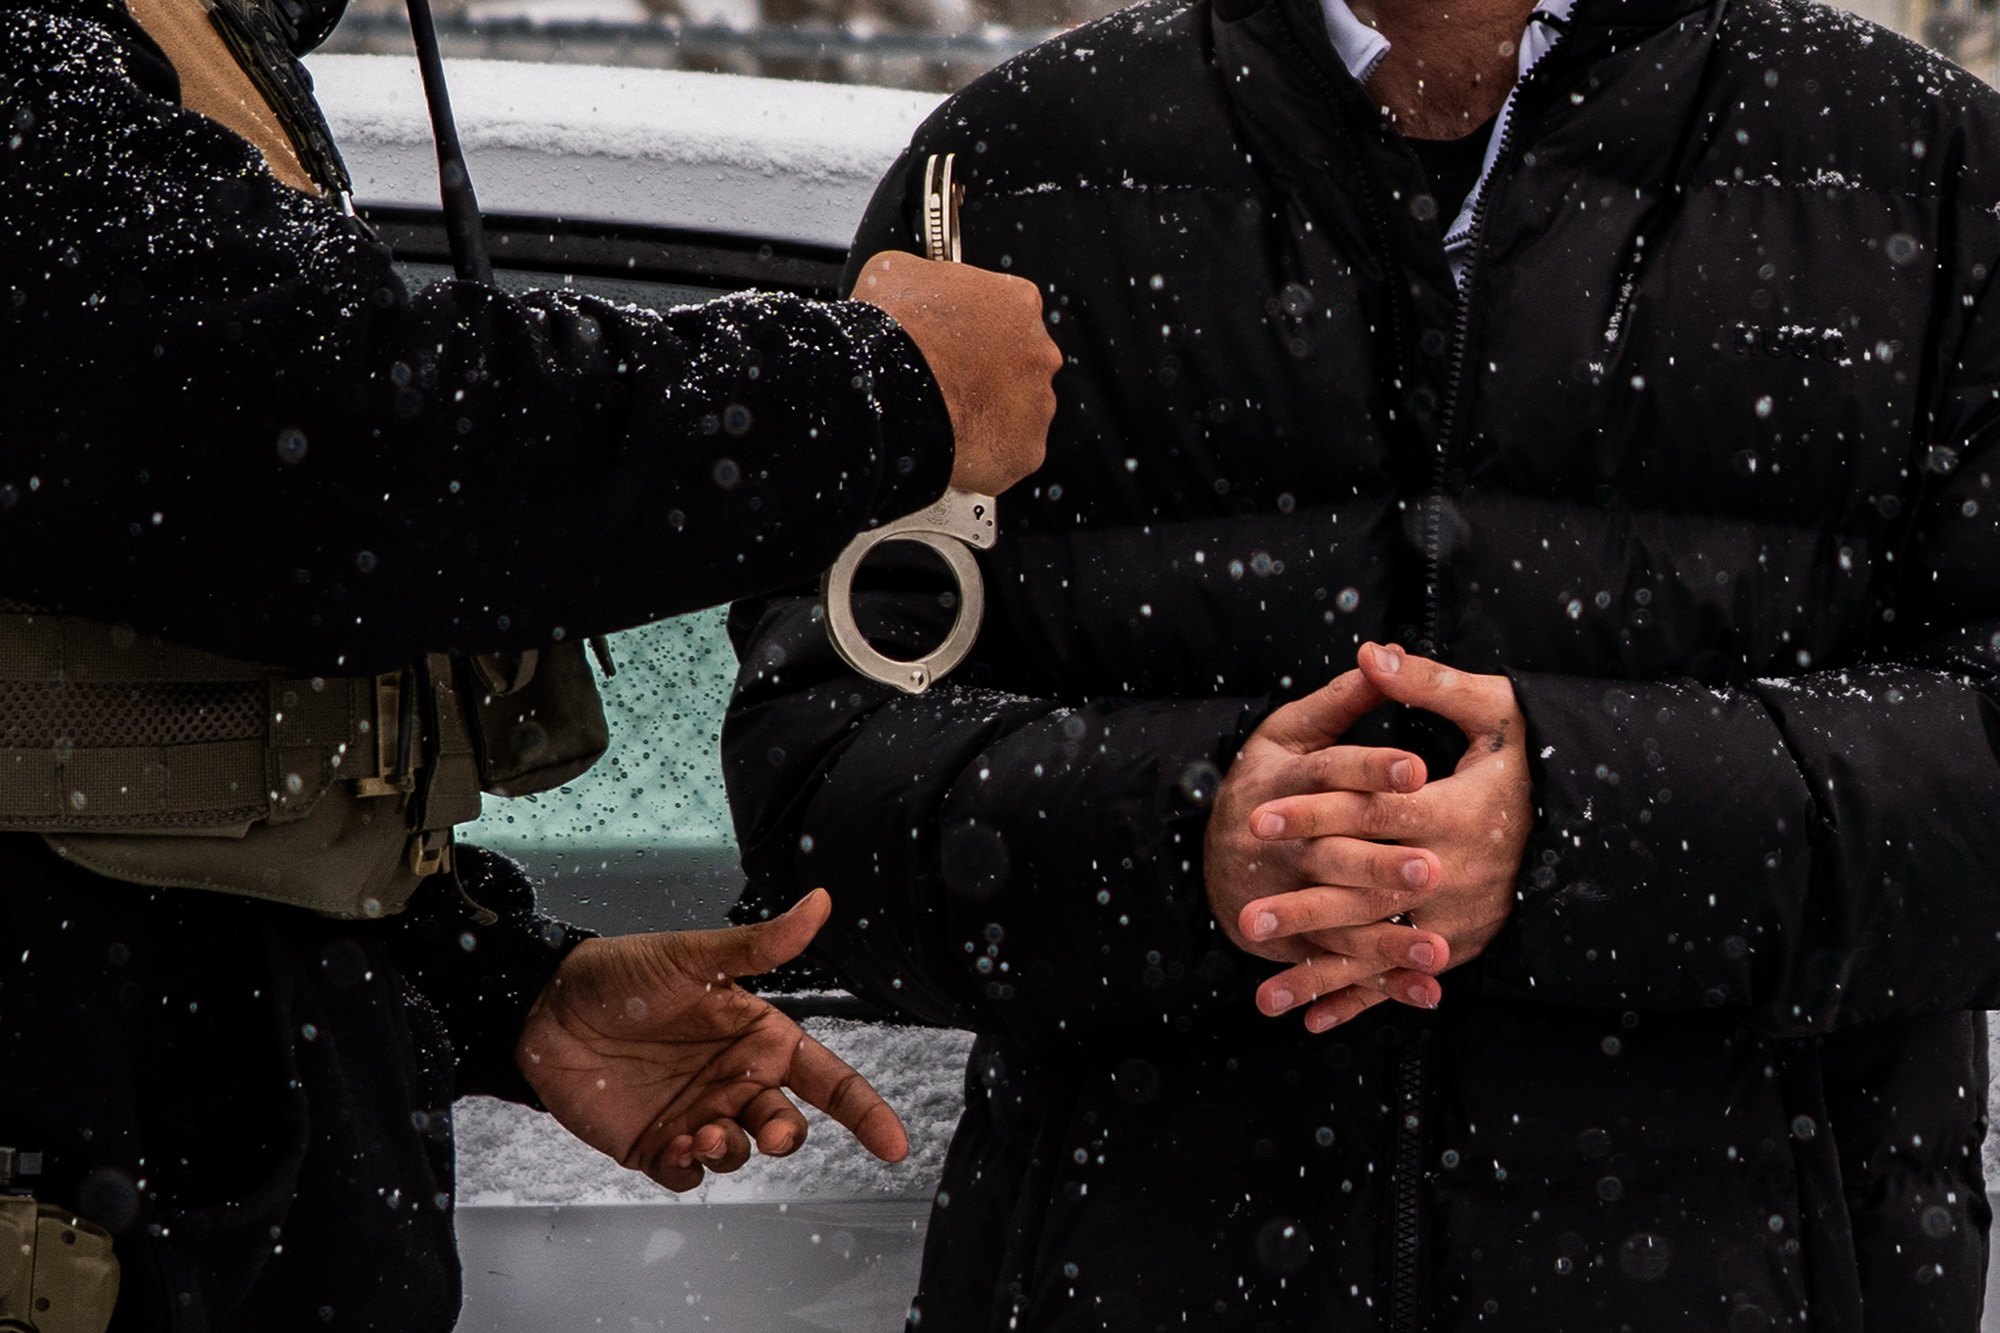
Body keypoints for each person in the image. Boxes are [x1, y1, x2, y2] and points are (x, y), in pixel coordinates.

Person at [724, 0, 2000, 1327]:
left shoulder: (1934, 175)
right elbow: (812, 774)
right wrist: (1183, 837)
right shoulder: (1012, 176)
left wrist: (1588, 827)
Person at [0, 0, 1062, 1321]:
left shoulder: (168, 48)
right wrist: (874, 391)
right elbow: (316, 442)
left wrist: (504, 987)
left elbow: (156, 736)